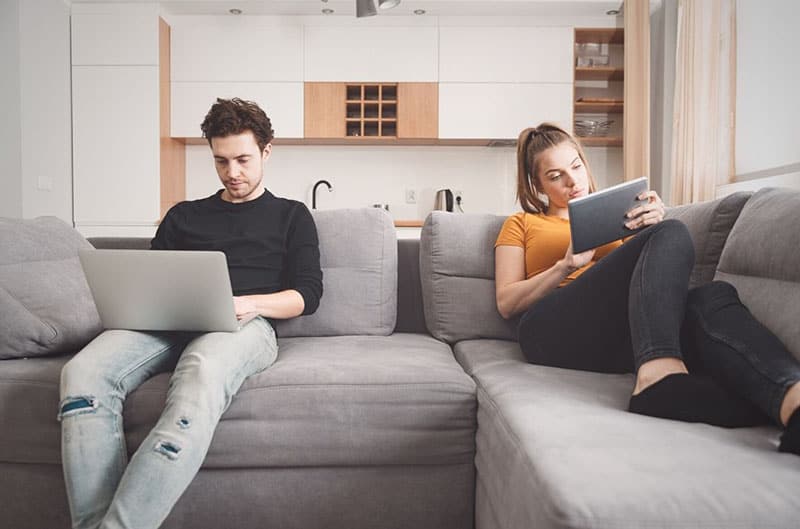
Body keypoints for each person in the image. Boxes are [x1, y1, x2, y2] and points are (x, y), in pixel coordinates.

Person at [58, 98, 323, 529]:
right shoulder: (183, 215)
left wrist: (249, 303)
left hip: (244, 325)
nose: (232, 172)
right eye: (221, 161)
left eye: (242, 159)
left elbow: (307, 295)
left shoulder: (292, 215)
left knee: (199, 376)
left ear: (266, 151)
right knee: (83, 372)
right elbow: (150, 278)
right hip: (165, 323)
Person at [494, 122, 800, 455]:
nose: (572, 181)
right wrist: (565, 265)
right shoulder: (521, 224)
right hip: (551, 329)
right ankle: (657, 377)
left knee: (714, 295)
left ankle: (791, 402)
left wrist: (652, 226)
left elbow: (647, 287)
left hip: (621, 332)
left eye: (576, 166)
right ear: (536, 184)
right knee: (672, 233)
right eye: (555, 176)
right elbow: (507, 302)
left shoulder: (616, 218)